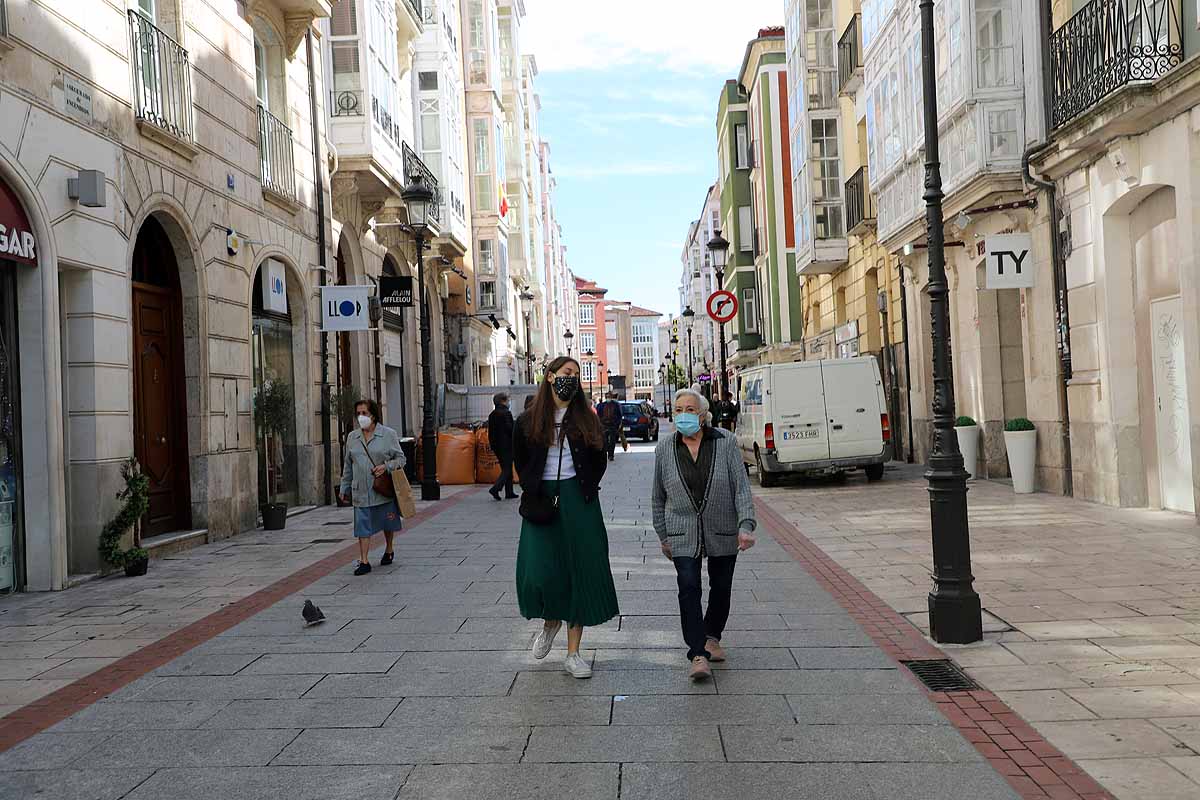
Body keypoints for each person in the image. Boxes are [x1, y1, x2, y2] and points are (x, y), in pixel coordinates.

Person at [513, 356, 619, 678]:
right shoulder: (528, 420)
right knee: (540, 572)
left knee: (580, 571)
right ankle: (550, 622)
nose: (571, 378)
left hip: (578, 497)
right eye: (566, 373)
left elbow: (599, 457)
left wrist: (585, 486)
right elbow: (519, 458)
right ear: (549, 377)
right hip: (543, 498)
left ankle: (574, 654)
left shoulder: (586, 418)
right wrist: (533, 488)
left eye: (575, 374)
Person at [652, 388, 756, 681]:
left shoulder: (725, 442)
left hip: (722, 528)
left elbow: (741, 488)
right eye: (678, 409)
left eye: (689, 409)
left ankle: (712, 635)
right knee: (688, 588)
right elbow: (657, 497)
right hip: (681, 531)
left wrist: (746, 525)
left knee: (721, 587)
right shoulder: (665, 448)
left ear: (702, 414)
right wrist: (663, 535)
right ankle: (698, 653)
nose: (683, 415)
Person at [339, 399, 406, 576]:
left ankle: (389, 549)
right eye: (358, 414)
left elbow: (401, 459)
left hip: (382, 489)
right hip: (360, 490)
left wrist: (386, 466)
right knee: (362, 525)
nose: (361, 417)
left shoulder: (388, 434)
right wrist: (344, 487)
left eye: (364, 413)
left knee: (387, 521)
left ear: (373, 415)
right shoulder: (353, 437)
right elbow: (348, 464)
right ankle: (364, 560)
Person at [487, 393, 518, 501]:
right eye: (507, 400)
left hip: (496, 446)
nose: (509, 403)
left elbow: (490, 432)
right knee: (507, 468)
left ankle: (509, 492)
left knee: (506, 467)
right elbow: (510, 429)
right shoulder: (506, 413)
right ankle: (496, 488)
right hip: (507, 445)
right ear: (503, 401)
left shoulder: (492, 415)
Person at [596, 392, 623, 461]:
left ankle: (611, 455)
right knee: (604, 441)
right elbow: (597, 415)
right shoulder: (601, 405)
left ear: (611, 397)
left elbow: (619, 415)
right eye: (607, 397)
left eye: (609, 397)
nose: (608, 398)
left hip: (612, 425)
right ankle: (606, 451)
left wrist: (618, 423)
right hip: (604, 425)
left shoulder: (616, 405)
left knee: (612, 440)